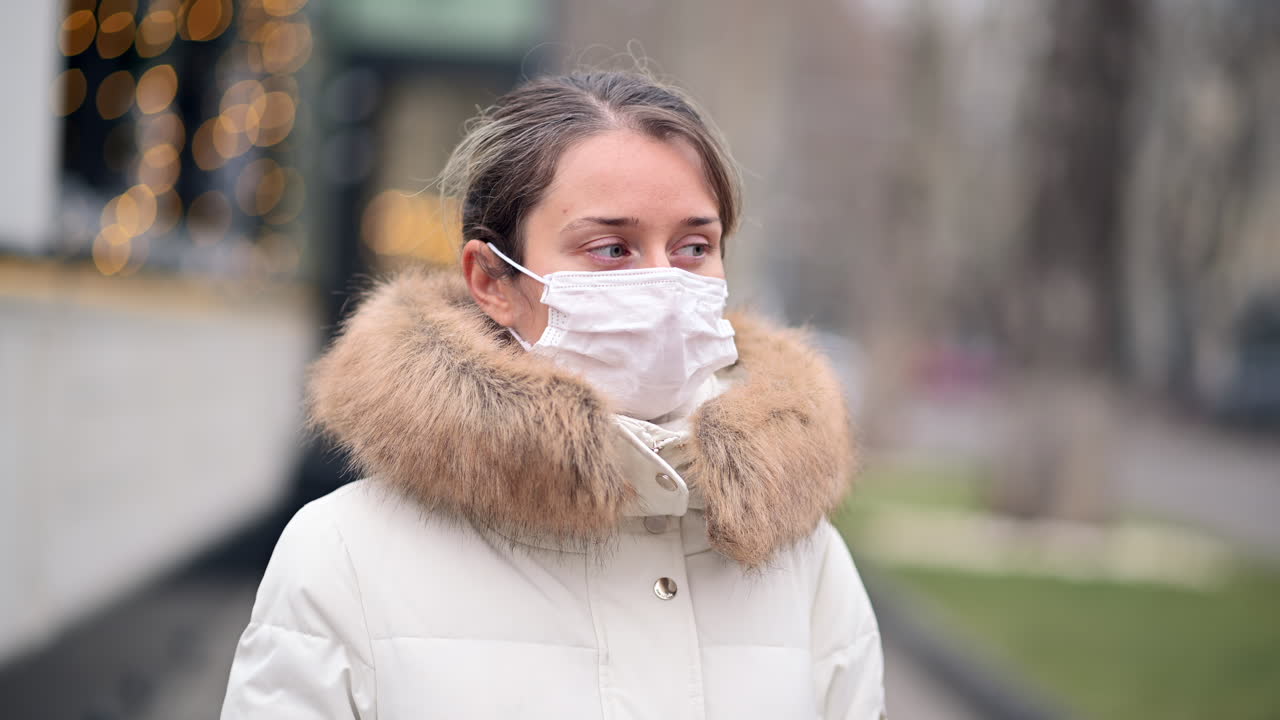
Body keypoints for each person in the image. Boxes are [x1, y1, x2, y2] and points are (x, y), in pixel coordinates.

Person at [220, 68, 886, 719]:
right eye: (611, 248)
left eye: (692, 247)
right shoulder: (344, 557)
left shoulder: (806, 561)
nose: (663, 283)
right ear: (493, 281)